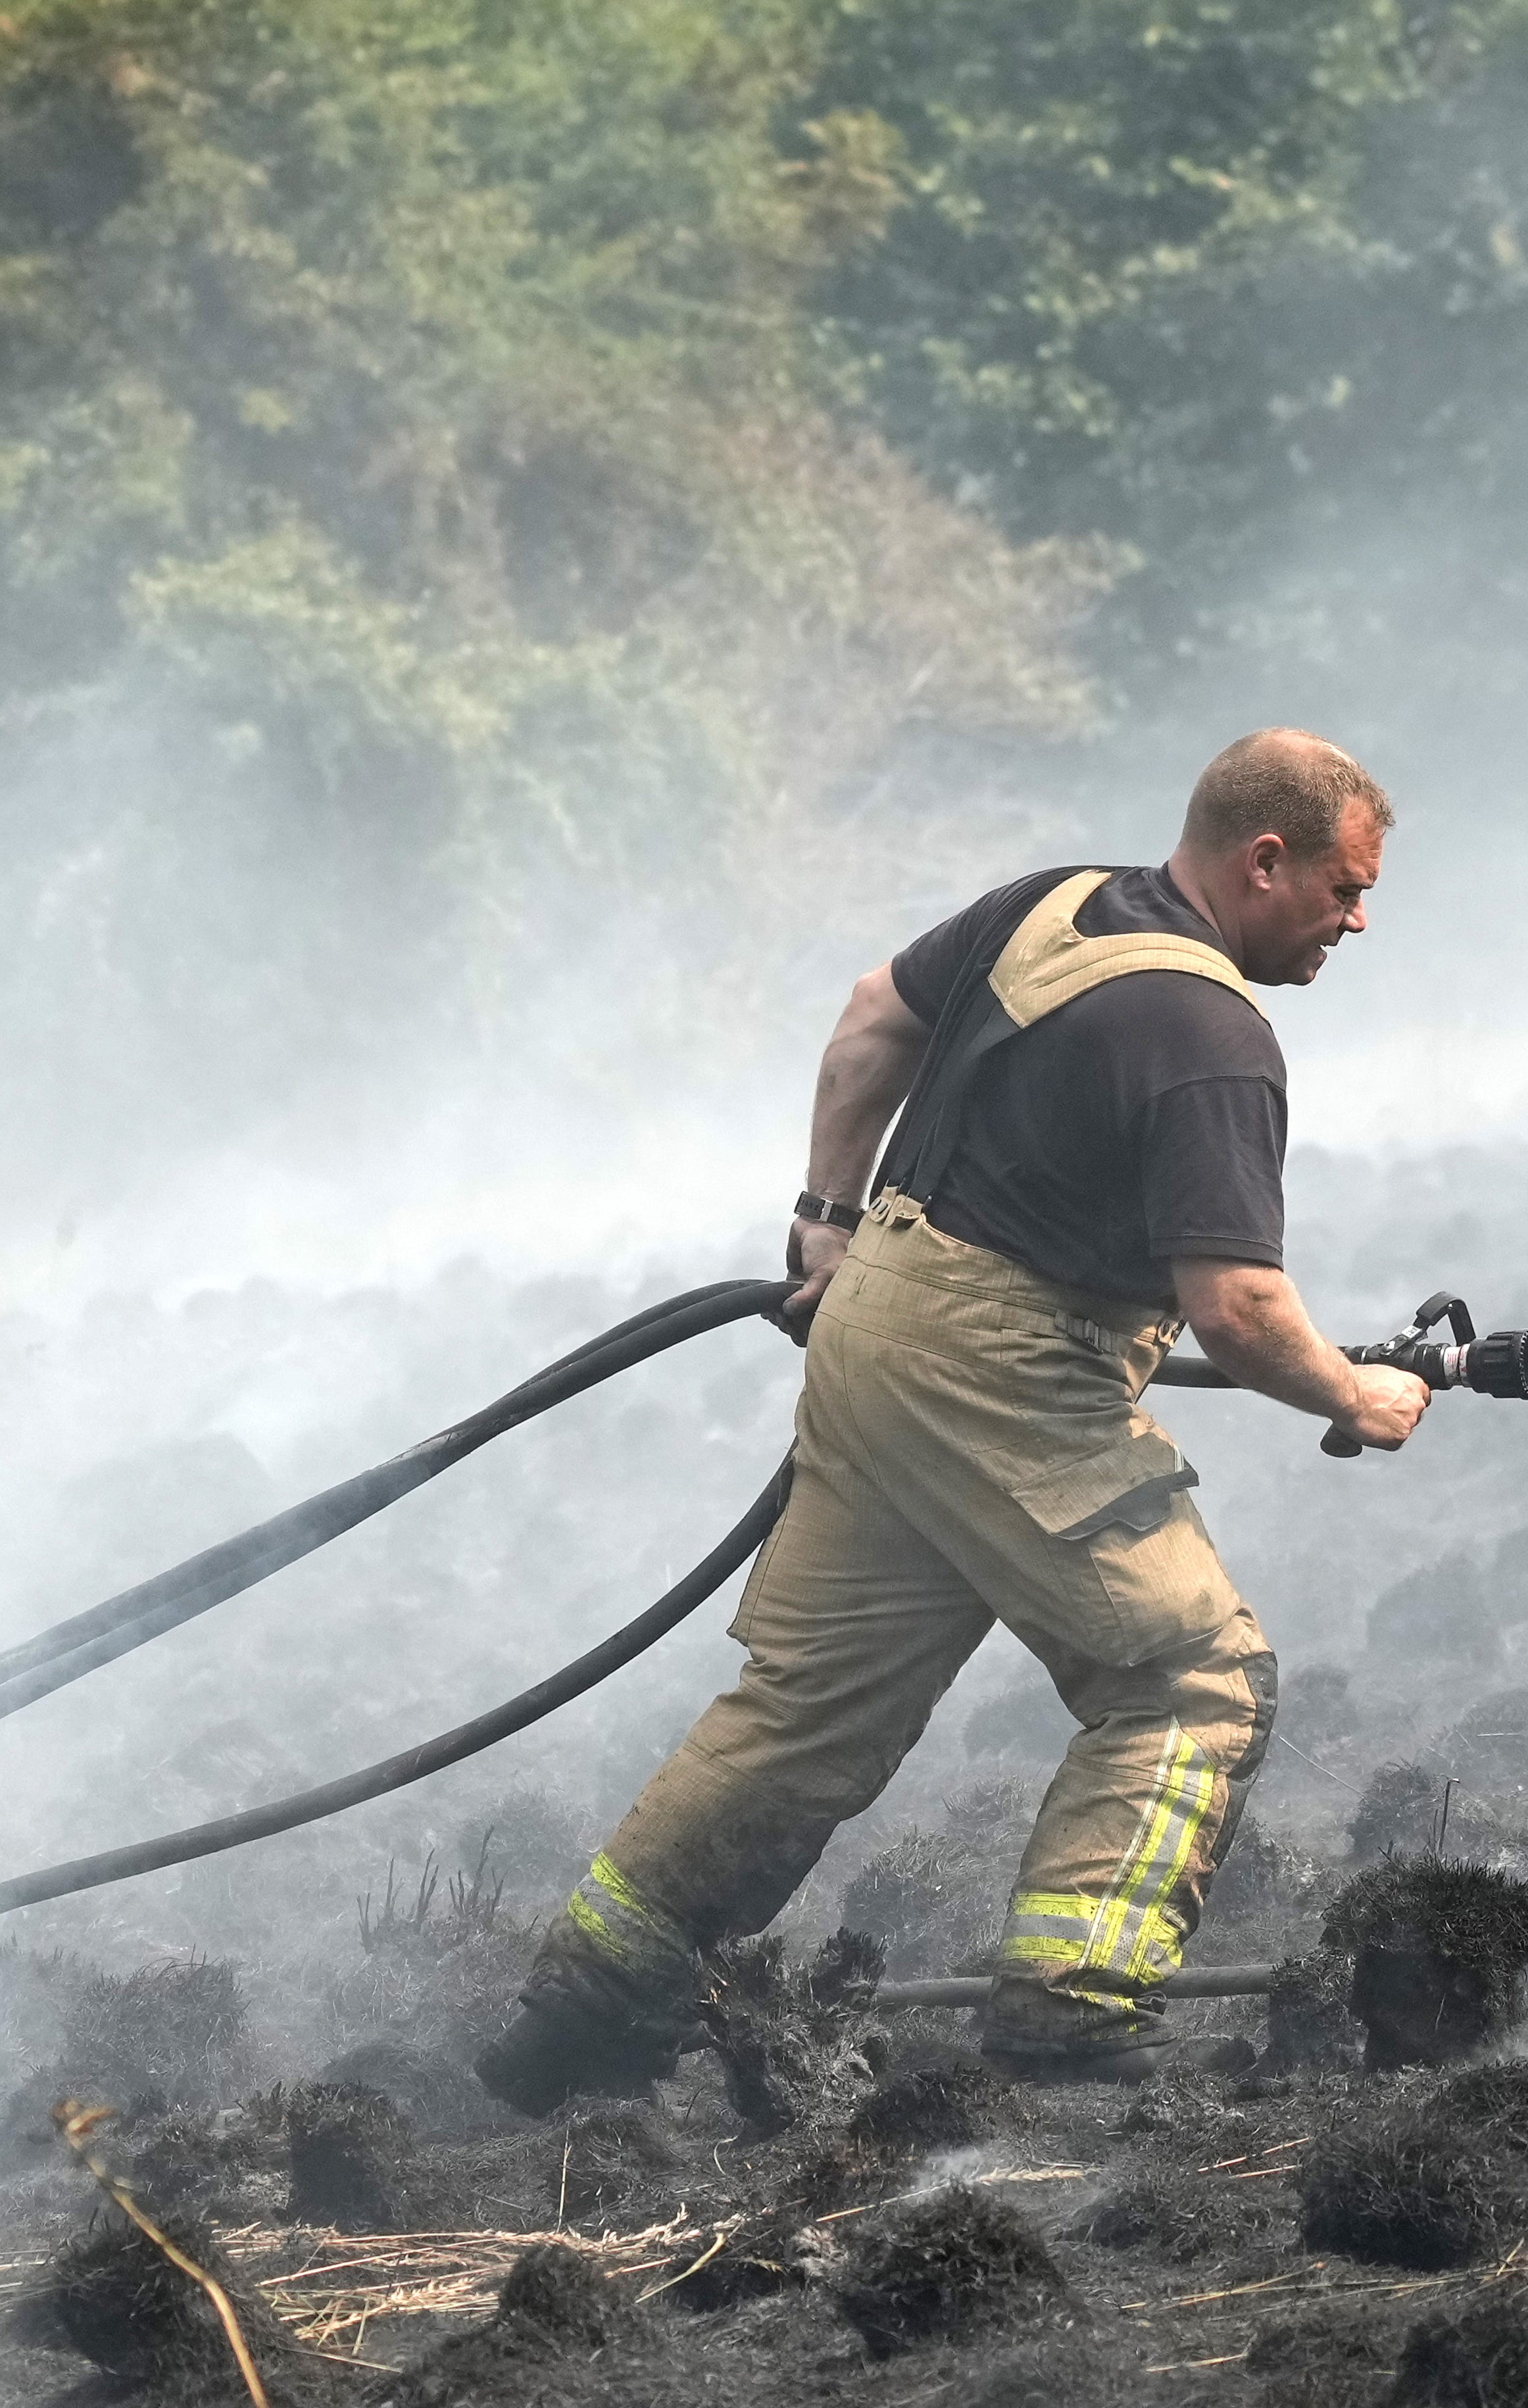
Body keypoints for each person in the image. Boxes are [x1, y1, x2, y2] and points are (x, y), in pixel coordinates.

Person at [472, 729, 1427, 2109]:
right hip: (1002, 1378)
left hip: (874, 1336)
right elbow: (1232, 1307)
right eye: (1342, 889)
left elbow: (873, 1014)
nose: (1356, 921)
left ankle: (581, 2008)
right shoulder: (1213, 1035)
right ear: (1261, 859)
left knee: (805, 1710)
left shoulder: (1052, 904)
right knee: (1188, 1676)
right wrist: (1356, 1390)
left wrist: (823, 1222)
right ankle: (1072, 2010)